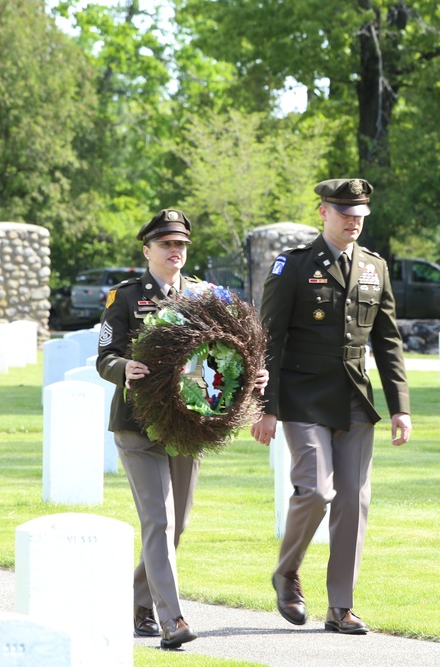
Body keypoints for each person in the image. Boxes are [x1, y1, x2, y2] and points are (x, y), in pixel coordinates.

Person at [97, 208, 268, 649]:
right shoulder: (126, 297)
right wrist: (123, 366)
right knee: (158, 519)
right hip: (138, 425)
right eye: (167, 244)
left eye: (181, 245)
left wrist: (254, 375)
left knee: (177, 525)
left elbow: (232, 349)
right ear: (147, 250)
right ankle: (171, 619)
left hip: (187, 426)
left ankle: (136, 600)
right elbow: (104, 356)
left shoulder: (205, 295)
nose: (176, 251)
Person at [251, 178, 411, 635]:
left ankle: (341, 606)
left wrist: (400, 406)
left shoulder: (374, 268)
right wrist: (267, 406)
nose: (354, 223)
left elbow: (387, 341)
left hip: (355, 398)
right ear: (324, 212)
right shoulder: (294, 266)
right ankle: (287, 571)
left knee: (354, 502)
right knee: (317, 491)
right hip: (302, 398)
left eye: (360, 216)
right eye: (345, 215)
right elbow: (270, 338)